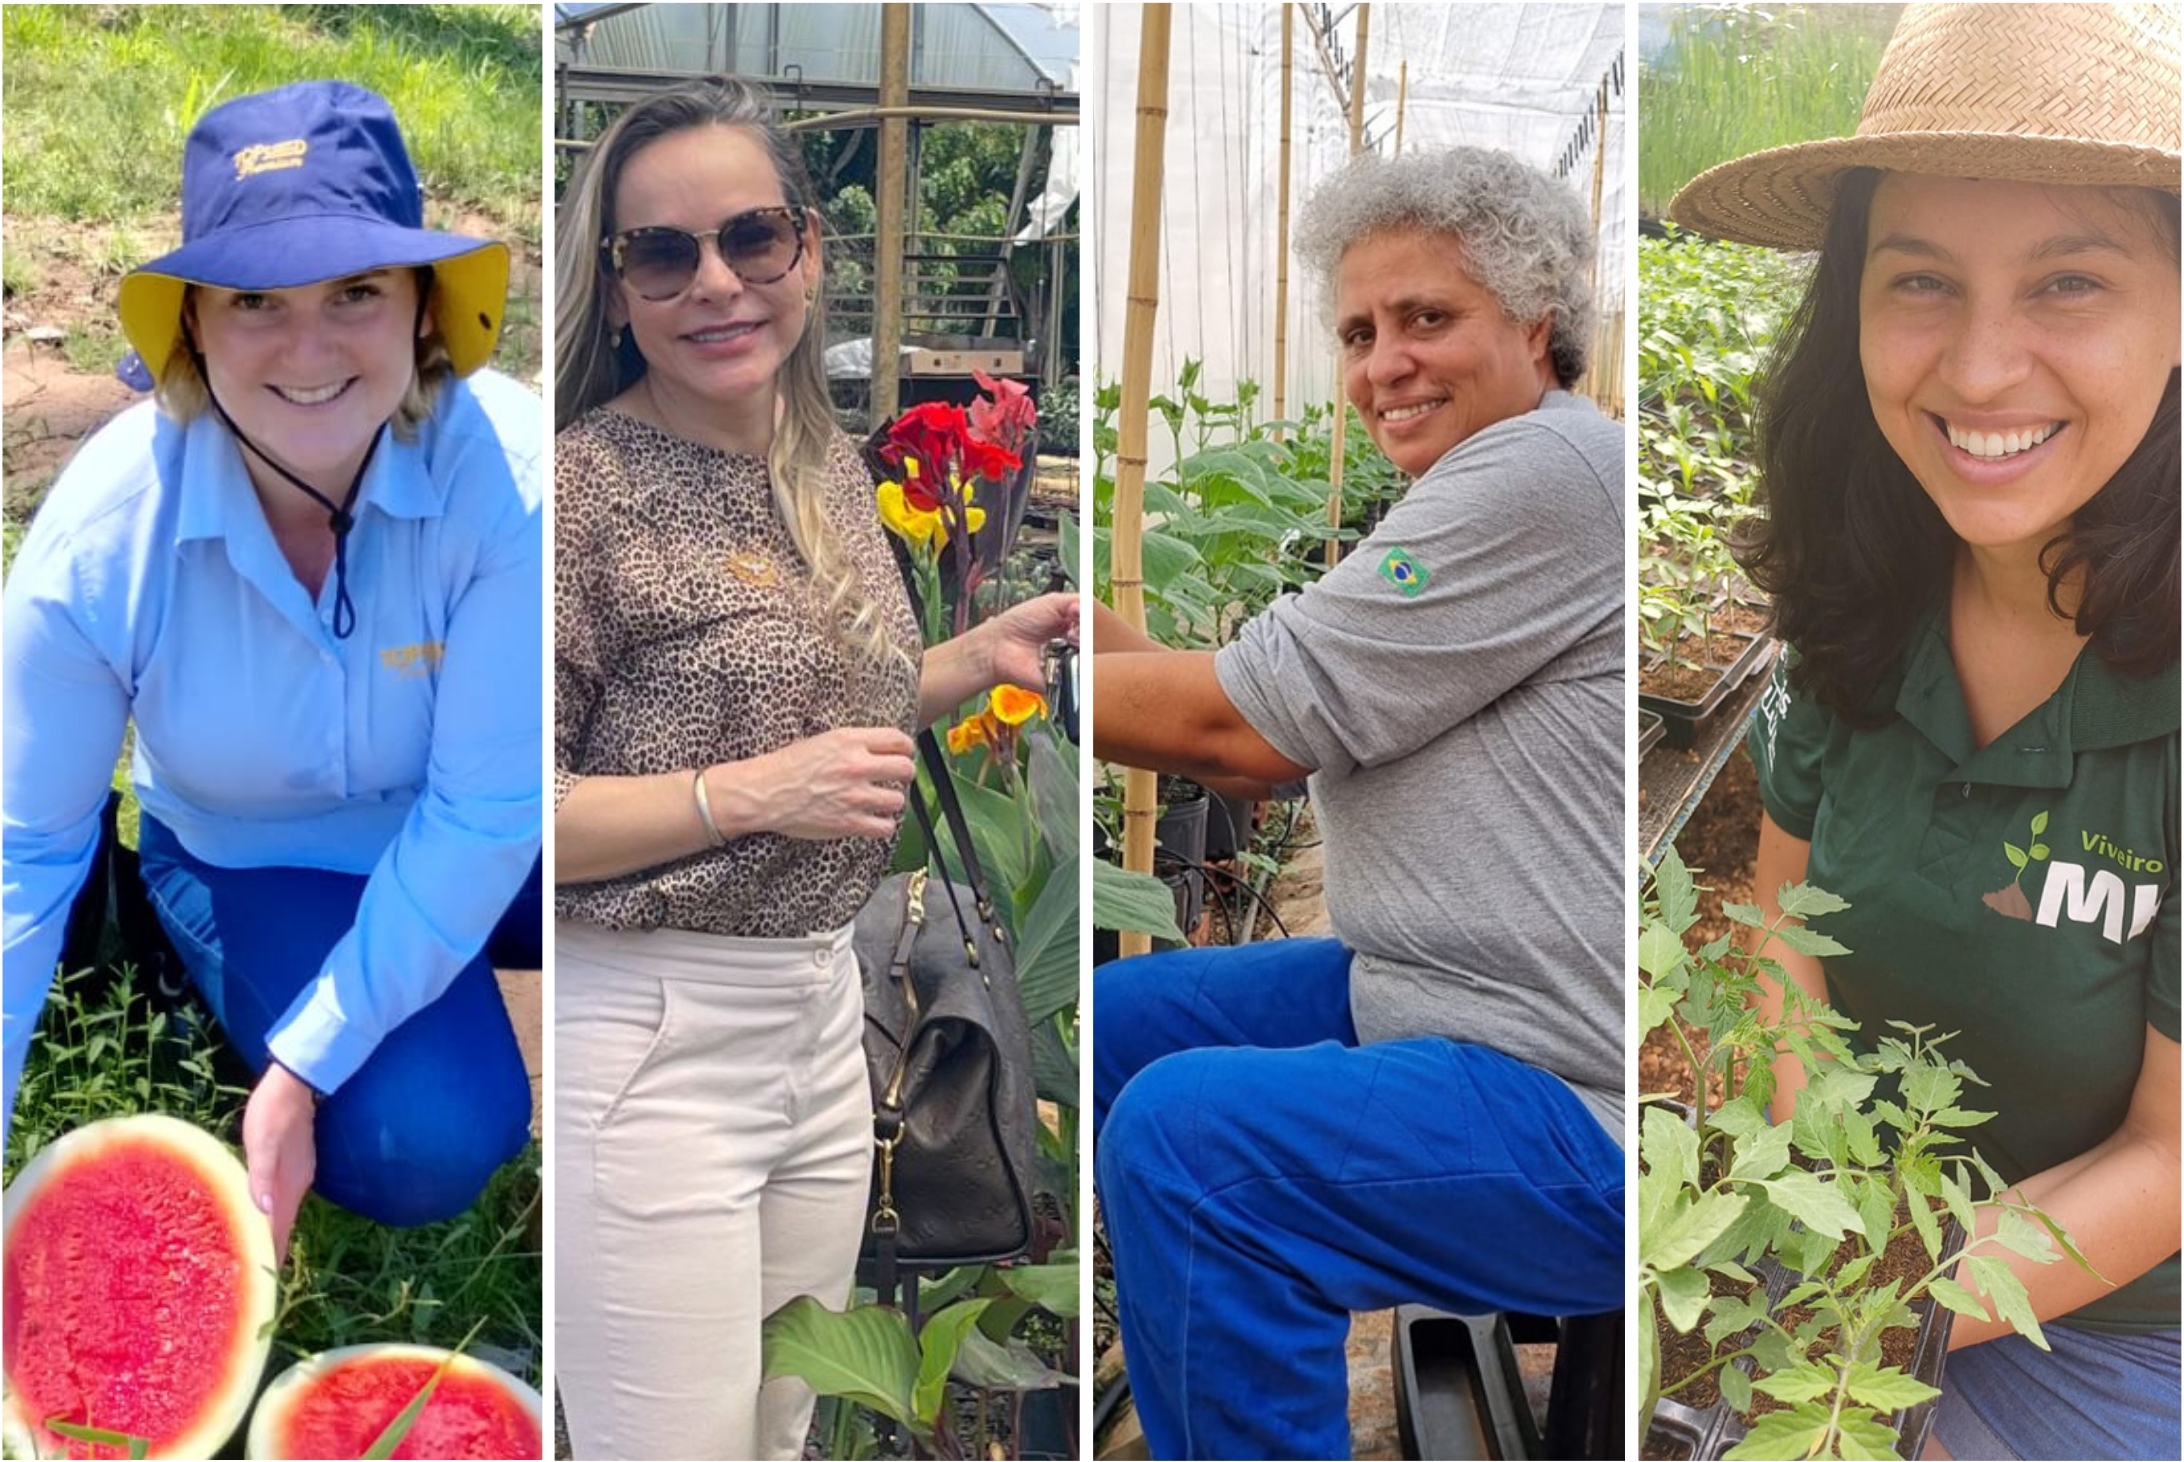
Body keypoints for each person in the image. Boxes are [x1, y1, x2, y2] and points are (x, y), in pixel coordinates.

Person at [1669, 5, 2180, 1458]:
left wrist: (1876, 1322)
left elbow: (2171, 1155)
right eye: (1922, 282)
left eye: (2069, 280)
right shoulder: (1858, 596)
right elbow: (1779, 920)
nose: (1979, 365)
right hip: (1860, 1249)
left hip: (2127, 1319)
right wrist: (1816, 1184)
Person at [550, 76, 1073, 1462]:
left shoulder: (822, 461)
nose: (716, 280)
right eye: (663, 252)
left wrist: (969, 657)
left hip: (823, 1018)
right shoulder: (582, 499)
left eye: (751, 237)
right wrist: (750, 796)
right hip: (654, 1037)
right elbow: (510, 818)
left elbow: (827, 695)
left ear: (810, 253)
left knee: (781, 1434)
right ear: (611, 293)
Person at [1091, 146, 1624, 1460]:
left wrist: (1015, 677)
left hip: (1578, 1094)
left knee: (1193, 1143)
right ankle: (1185, 1336)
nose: (1386, 361)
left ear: (1536, 319)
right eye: (1360, 331)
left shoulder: (1549, 470)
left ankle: (1222, 1308)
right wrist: (1071, 634)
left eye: (1426, 318)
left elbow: (1244, 734)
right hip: (1443, 987)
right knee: (1108, 1021)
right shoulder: (1487, 481)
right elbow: (1244, 723)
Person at [0, 81, 544, 1257]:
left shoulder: (508, 477)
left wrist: (303, 1061)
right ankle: (210, 955)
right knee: (428, 1136)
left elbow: (490, 809)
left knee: (672, 871)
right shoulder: (102, 544)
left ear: (424, 311)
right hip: (262, 853)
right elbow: (22, 852)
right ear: (192, 324)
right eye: (256, 299)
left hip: (490, 826)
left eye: (356, 291)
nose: (310, 349)